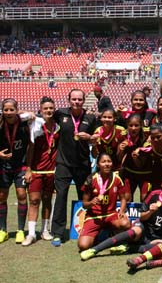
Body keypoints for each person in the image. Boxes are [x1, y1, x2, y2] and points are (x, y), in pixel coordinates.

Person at [79, 176, 162, 261]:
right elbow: (142, 217)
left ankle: (127, 248)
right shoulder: (154, 195)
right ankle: (95, 250)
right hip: (145, 229)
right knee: (135, 230)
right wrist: (150, 211)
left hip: (160, 237)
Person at [51, 89, 97, 246]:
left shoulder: (90, 118)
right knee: (61, 196)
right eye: (74, 99)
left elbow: (98, 136)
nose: (77, 102)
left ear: (84, 101)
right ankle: (57, 233)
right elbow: (45, 118)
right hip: (63, 163)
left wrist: (90, 137)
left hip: (83, 164)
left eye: (79, 99)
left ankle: (87, 229)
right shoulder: (60, 114)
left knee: (85, 197)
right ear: (68, 99)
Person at [22, 97, 59, 246]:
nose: (49, 111)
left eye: (51, 108)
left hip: (51, 171)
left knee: (47, 201)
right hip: (36, 170)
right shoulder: (35, 124)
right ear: (40, 110)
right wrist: (29, 169)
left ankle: (45, 230)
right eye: (46, 109)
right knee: (34, 201)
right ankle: (31, 233)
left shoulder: (58, 127)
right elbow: (30, 148)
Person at [77, 153, 131, 251]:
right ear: (98, 165)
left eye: (109, 161)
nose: (107, 164)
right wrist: (91, 202)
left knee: (125, 223)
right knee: (83, 246)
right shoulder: (91, 179)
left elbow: (123, 198)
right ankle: (100, 236)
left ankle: (111, 233)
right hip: (94, 217)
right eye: (103, 162)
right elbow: (84, 205)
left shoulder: (117, 178)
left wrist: (122, 211)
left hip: (111, 215)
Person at [0, 98, 30, 244]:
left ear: (17, 110)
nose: (9, 112)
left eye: (12, 109)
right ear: (2, 111)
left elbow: (31, 145)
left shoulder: (24, 124)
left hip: (20, 166)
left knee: (21, 194)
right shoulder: (0, 124)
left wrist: (28, 113)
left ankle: (20, 230)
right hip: (3, 166)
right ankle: (3, 230)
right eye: (6, 109)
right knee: (2, 196)